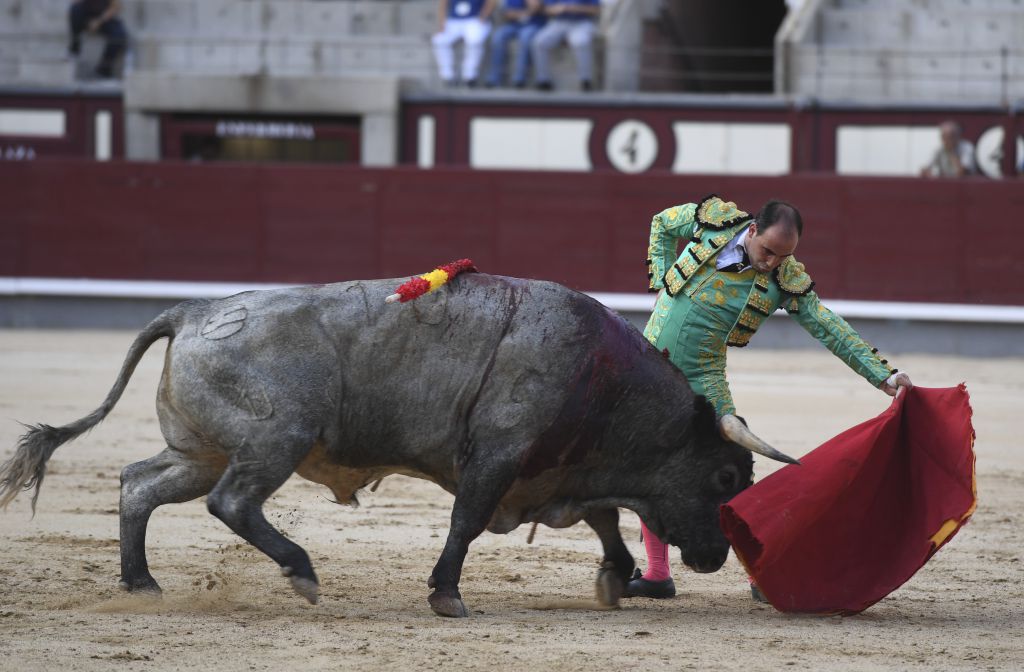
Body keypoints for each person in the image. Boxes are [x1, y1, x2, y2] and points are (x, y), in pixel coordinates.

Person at [627, 195, 913, 602]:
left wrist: (881, 375)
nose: (772, 263)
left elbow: (827, 326)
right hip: (649, 368)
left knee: (732, 474)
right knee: (645, 468)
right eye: (768, 251)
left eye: (783, 256)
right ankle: (656, 574)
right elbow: (660, 222)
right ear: (752, 230)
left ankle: (761, 574)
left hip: (704, 379)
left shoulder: (784, 281)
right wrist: (659, 279)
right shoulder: (713, 221)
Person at [531, 0, 600, 91]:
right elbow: (547, 9)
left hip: (581, 22)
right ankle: (543, 80)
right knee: (539, 42)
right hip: (559, 22)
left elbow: (596, 10)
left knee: (581, 42)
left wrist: (575, 9)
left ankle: (586, 80)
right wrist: (555, 9)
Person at [432, 0, 498, 88]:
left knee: (474, 41)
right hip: (454, 20)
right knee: (438, 41)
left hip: (474, 19)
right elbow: (443, 4)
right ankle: (448, 77)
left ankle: (469, 76)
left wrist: (484, 15)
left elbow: (492, 1)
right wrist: (441, 21)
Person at [484, 0, 546, 89]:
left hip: (534, 24)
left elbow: (537, 7)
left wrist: (529, 9)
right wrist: (526, 13)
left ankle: (520, 78)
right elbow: (509, 14)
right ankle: (494, 78)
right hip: (515, 25)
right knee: (498, 36)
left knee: (525, 37)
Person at [68, 0, 128, 79]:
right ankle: (75, 49)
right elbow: (75, 3)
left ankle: (104, 70)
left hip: (104, 18)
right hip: (86, 16)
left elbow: (116, 6)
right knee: (75, 10)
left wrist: (99, 21)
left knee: (119, 34)